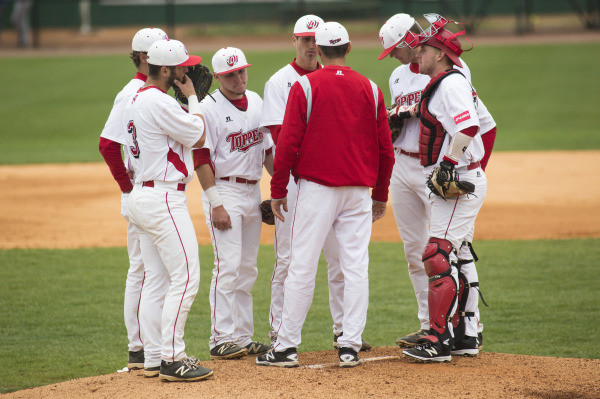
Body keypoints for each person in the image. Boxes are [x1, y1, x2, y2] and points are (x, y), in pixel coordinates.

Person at [256, 22, 394, 368]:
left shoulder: (305, 86)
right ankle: (349, 344)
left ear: (320, 47)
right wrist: (380, 194)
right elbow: (385, 151)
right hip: (358, 193)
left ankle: (286, 347)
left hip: (316, 190)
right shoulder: (372, 90)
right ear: (348, 48)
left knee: (301, 265)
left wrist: (277, 189)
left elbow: (286, 144)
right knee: (355, 267)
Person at [379, 14, 496, 355]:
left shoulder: (452, 78)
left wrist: (465, 170)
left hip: (444, 170)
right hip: (412, 166)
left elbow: (479, 125)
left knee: (447, 251)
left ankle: (462, 330)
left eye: (398, 50)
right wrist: (394, 121)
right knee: (422, 251)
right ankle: (437, 327)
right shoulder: (399, 77)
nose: (403, 56)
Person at [123, 39, 213, 381]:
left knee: (157, 280)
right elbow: (199, 135)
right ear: (165, 71)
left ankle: (152, 357)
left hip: (141, 196)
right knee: (186, 277)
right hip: (162, 199)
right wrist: (193, 99)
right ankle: (173, 359)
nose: (188, 71)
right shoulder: (160, 103)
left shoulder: (134, 99)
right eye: (182, 67)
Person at [192, 47, 273, 360]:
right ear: (217, 77)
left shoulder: (256, 101)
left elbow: (266, 152)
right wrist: (216, 204)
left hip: (253, 191)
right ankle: (220, 338)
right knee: (227, 265)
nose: (238, 78)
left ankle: (242, 336)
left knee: (247, 268)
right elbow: (200, 158)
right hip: (223, 191)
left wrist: (277, 189)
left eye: (241, 71)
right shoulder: (208, 108)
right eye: (230, 74)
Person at [99, 27, 168, 372]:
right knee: (143, 271)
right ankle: (138, 348)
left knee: (148, 271)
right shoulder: (132, 93)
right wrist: (127, 189)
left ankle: (142, 348)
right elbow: (108, 145)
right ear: (144, 57)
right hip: (142, 190)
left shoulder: (154, 90)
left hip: (150, 190)